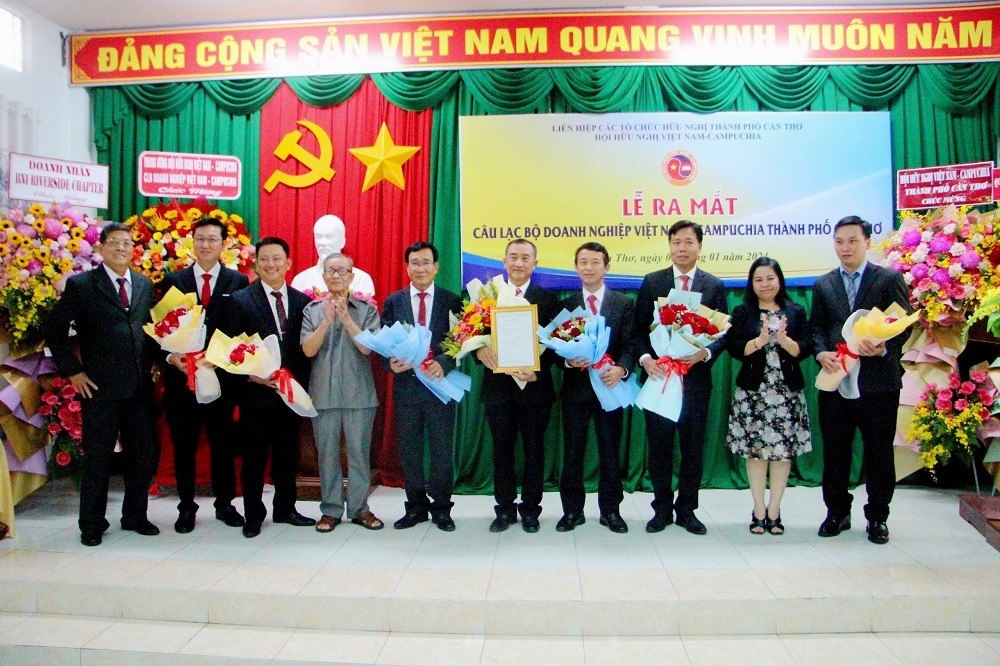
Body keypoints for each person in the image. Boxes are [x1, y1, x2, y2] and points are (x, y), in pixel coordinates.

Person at [43, 222, 159, 546]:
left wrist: (155, 362)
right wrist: (74, 372)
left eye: (127, 243)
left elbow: (147, 328)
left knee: (143, 454)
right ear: (102, 247)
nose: (122, 248)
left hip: (138, 387)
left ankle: (135, 515)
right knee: (98, 458)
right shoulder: (82, 285)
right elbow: (52, 329)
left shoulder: (144, 283)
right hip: (99, 388)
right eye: (115, 243)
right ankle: (91, 523)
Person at [811, 215, 910, 545]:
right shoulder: (824, 284)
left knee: (879, 452)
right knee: (836, 450)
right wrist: (821, 353)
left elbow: (903, 325)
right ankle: (837, 512)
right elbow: (817, 328)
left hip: (878, 383)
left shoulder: (888, 278)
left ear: (867, 241)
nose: (845, 248)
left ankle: (878, 517)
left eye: (852, 241)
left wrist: (883, 346)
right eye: (839, 241)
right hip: (837, 381)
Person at [634, 220, 728, 535]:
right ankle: (661, 510)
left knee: (692, 448)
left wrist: (705, 353)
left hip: (696, 380)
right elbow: (637, 332)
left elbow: (724, 334)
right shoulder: (652, 282)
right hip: (661, 378)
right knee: (659, 446)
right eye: (676, 242)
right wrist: (646, 361)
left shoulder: (713, 285)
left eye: (688, 242)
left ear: (699, 246)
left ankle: (687, 510)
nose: (682, 248)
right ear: (669, 246)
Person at [161, 217, 249, 534]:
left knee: (222, 445)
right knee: (184, 446)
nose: (206, 244)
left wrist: (221, 359)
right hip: (182, 381)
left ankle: (224, 504)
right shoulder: (174, 279)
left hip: (221, 381)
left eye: (212, 239)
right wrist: (172, 356)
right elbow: (160, 330)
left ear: (224, 243)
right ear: (192, 242)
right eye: (200, 239)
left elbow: (241, 331)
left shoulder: (238, 282)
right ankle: (186, 508)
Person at [222, 237, 315, 538]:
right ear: (256, 263)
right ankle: (253, 515)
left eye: (277, 259)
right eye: (264, 259)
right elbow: (227, 349)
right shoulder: (240, 300)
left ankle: (286, 508)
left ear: (289, 263)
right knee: (254, 457)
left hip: (290, 393)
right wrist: (250, 375)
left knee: (288, 455)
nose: (271, 264)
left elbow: (305, 351)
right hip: (255, 394)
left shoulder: (303, 302)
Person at [476, 239, 559, 533]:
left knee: (535, 451)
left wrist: (538, 371)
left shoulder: (548, 298)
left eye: (526, 258)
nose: (519, 263)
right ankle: (504, 509)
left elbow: (557, 345)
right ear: (504, 261)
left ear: (535, 264)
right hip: (498, 389)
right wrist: (478, 351)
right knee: (501, 451)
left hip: (535, 389)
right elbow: (473, 333)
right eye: (514, 257)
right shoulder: (489, 295)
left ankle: (530, 510)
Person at [725, 257, 813, 536]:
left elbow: (807, 347)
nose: (765, 284)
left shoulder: (795, 310)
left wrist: (787, 343)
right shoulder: (742, 312)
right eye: (758, 279)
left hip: (786, 392)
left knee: (782, 455)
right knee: (756, 454)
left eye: (770, 278)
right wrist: (758, 342)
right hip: (754, 393)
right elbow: (734, 348)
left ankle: (775, 511)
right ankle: (758, 510)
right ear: (752, 283)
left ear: (780, 280)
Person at [381, 241, 463, 531]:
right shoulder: (394, 301)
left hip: (441, 386)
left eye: (426, 262)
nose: (420, 268)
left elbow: (461, 340)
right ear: (407, 267)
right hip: (407, 389)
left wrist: (444, 362)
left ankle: (441, 508)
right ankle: (415, 507)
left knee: (441, 451)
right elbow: (384, 343)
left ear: (436, 267)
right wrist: (389, 364)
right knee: (410, 451)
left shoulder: (452, 301)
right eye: (414, 263)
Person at [557, 242, 637, 534]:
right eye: (583, 262)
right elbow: (554, 351)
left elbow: (632, 344)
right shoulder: (566, 305)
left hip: (610, 388)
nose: (588, 267)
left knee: (610, 452)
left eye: (594, 262)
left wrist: (622, 369)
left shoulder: (623, 303)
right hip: (576, 391)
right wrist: (567, 361)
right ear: (576, 266)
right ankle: (572, 511)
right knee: (573, 452)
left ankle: (611, 510)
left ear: (607, 266)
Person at [301, 252, 383, 532]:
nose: (336, 276)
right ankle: (331, 509)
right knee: (327, 455)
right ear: (323, 276)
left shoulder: (367, 310)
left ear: (351, 275)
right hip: (323, 395)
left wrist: (347, 319)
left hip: (359, 394)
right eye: (331, 271)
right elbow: (308, 350)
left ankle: (360, 508)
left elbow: (368, 348)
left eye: (342, 271)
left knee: (359, 454)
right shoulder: (311, 309)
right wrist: (326, 321)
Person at [291, 215, 375, 298]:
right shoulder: (300, 280)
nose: (322, 243)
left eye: (329, 237)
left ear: (342, 240)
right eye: (319, 237)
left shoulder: (362, 279)